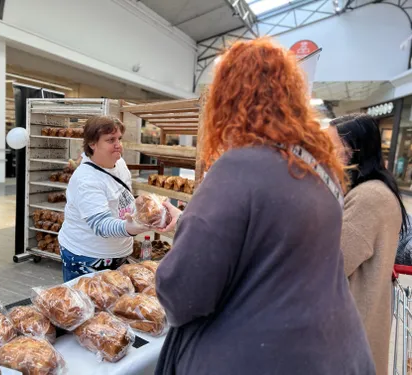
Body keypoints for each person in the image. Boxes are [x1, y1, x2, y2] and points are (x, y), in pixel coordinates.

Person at [154, 38, 375, 375]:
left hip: (261, 357)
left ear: (229, 98)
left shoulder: (239, 166)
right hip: (338, 352)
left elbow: (184, 291)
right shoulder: (320, 170)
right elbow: (276, 245)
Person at [327, 114, 407, 374]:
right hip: (358, 325)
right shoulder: (372, 190)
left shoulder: (368, 198)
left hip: (351, 329)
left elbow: (334, 262)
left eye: (332, 146)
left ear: (354, 150)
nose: (325, 154)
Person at [57, 116, 148, 282]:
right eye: (110, 140)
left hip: (118, 254)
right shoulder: (86, 179)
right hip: (87, 257)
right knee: (85, 306)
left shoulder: (119, 164)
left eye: (119, 138)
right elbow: (101, 225)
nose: (118, 145)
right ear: (93, 144)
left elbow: (120, 199)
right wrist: (132, 228)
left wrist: (139, 206)